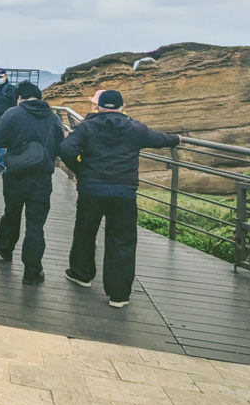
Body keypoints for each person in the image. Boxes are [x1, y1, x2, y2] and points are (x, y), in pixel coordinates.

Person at [59, 89, 181, 308]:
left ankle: (81, 274)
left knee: (85, 232)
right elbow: (159, 139)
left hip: (92, 190)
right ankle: (119, 295)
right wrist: (177, 138)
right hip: (124, 193)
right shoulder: (135, 129)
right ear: (122, 107)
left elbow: (66, 149)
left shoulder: (87, 127)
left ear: (99, 107)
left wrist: (81, 169)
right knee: (122, 241)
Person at [0, 82, 65, 284]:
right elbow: (60, 147)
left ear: (20, 97)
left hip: (15, 175)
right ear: (38, 97)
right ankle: (32, 271)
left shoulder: (12, 114)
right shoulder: (53, 118)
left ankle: (5, 248)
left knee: (11, 214)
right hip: (42, 179)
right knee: (35, 224)